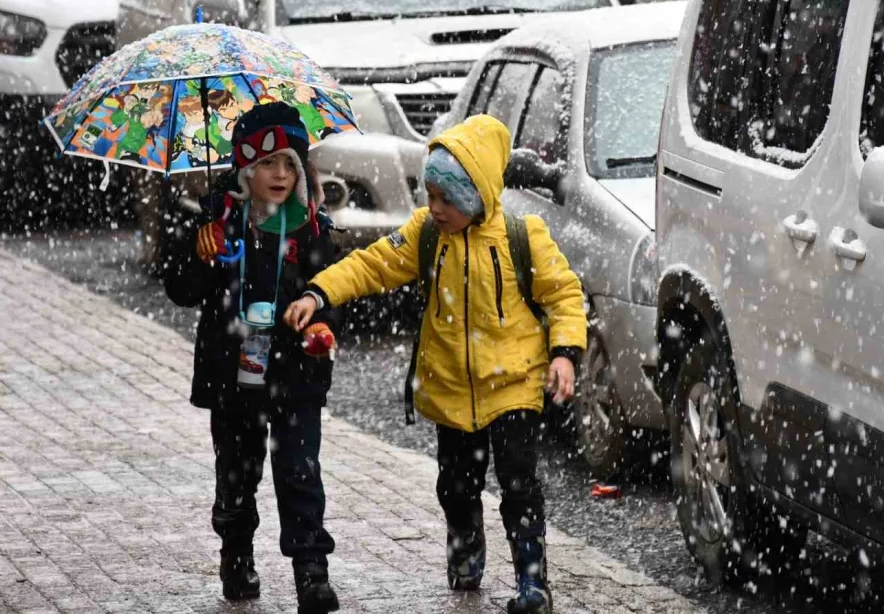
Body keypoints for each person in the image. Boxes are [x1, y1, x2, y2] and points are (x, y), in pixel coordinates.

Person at [284, 114, 587, 614]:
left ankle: (533, 583)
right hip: (449, 388)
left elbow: (564, 295)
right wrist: (320, 292)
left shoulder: (522, 237)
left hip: (514, 383)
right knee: (456, 485)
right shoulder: (427, 234)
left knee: (519, 483)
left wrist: (564, 354)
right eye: (430, 195)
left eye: (447, 199)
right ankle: (466, 543)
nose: (435, 207)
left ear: (476, 197)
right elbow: (373, 263)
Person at [163, 101, 341, 614]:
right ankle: (236, 552)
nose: (280, 175)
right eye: (267, 164)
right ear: (246, 169)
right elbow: (181, 289)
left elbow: (332, 292)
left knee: (300, 471)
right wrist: (197, 254)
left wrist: (323, 326)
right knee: (237, 473)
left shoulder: (312, 227)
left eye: (289, 163)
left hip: (296, 374)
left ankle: (311, 571)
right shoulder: (220, 224)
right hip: (232, 375)